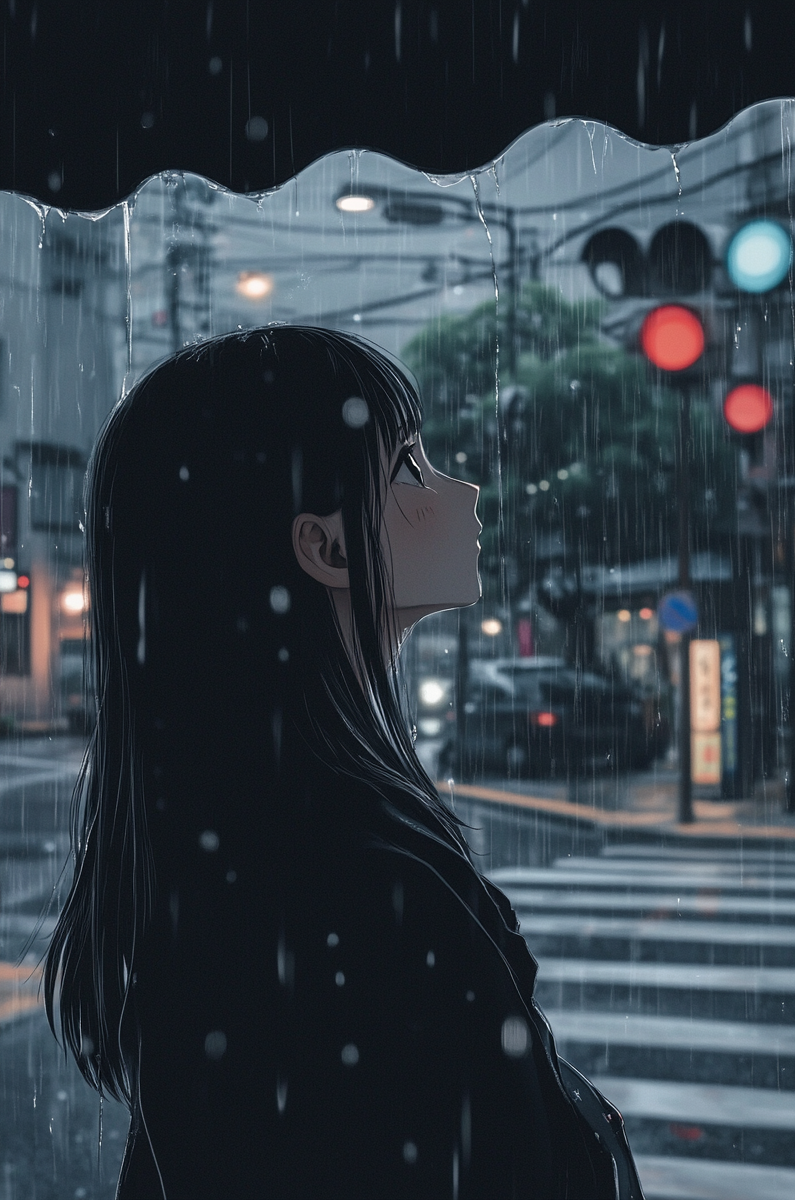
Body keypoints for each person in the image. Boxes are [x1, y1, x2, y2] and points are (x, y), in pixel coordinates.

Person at [43, 326, 643, 1199]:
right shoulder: (346, 879)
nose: (462, 490)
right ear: (324, 548)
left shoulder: (248, 844)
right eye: (408, 468)